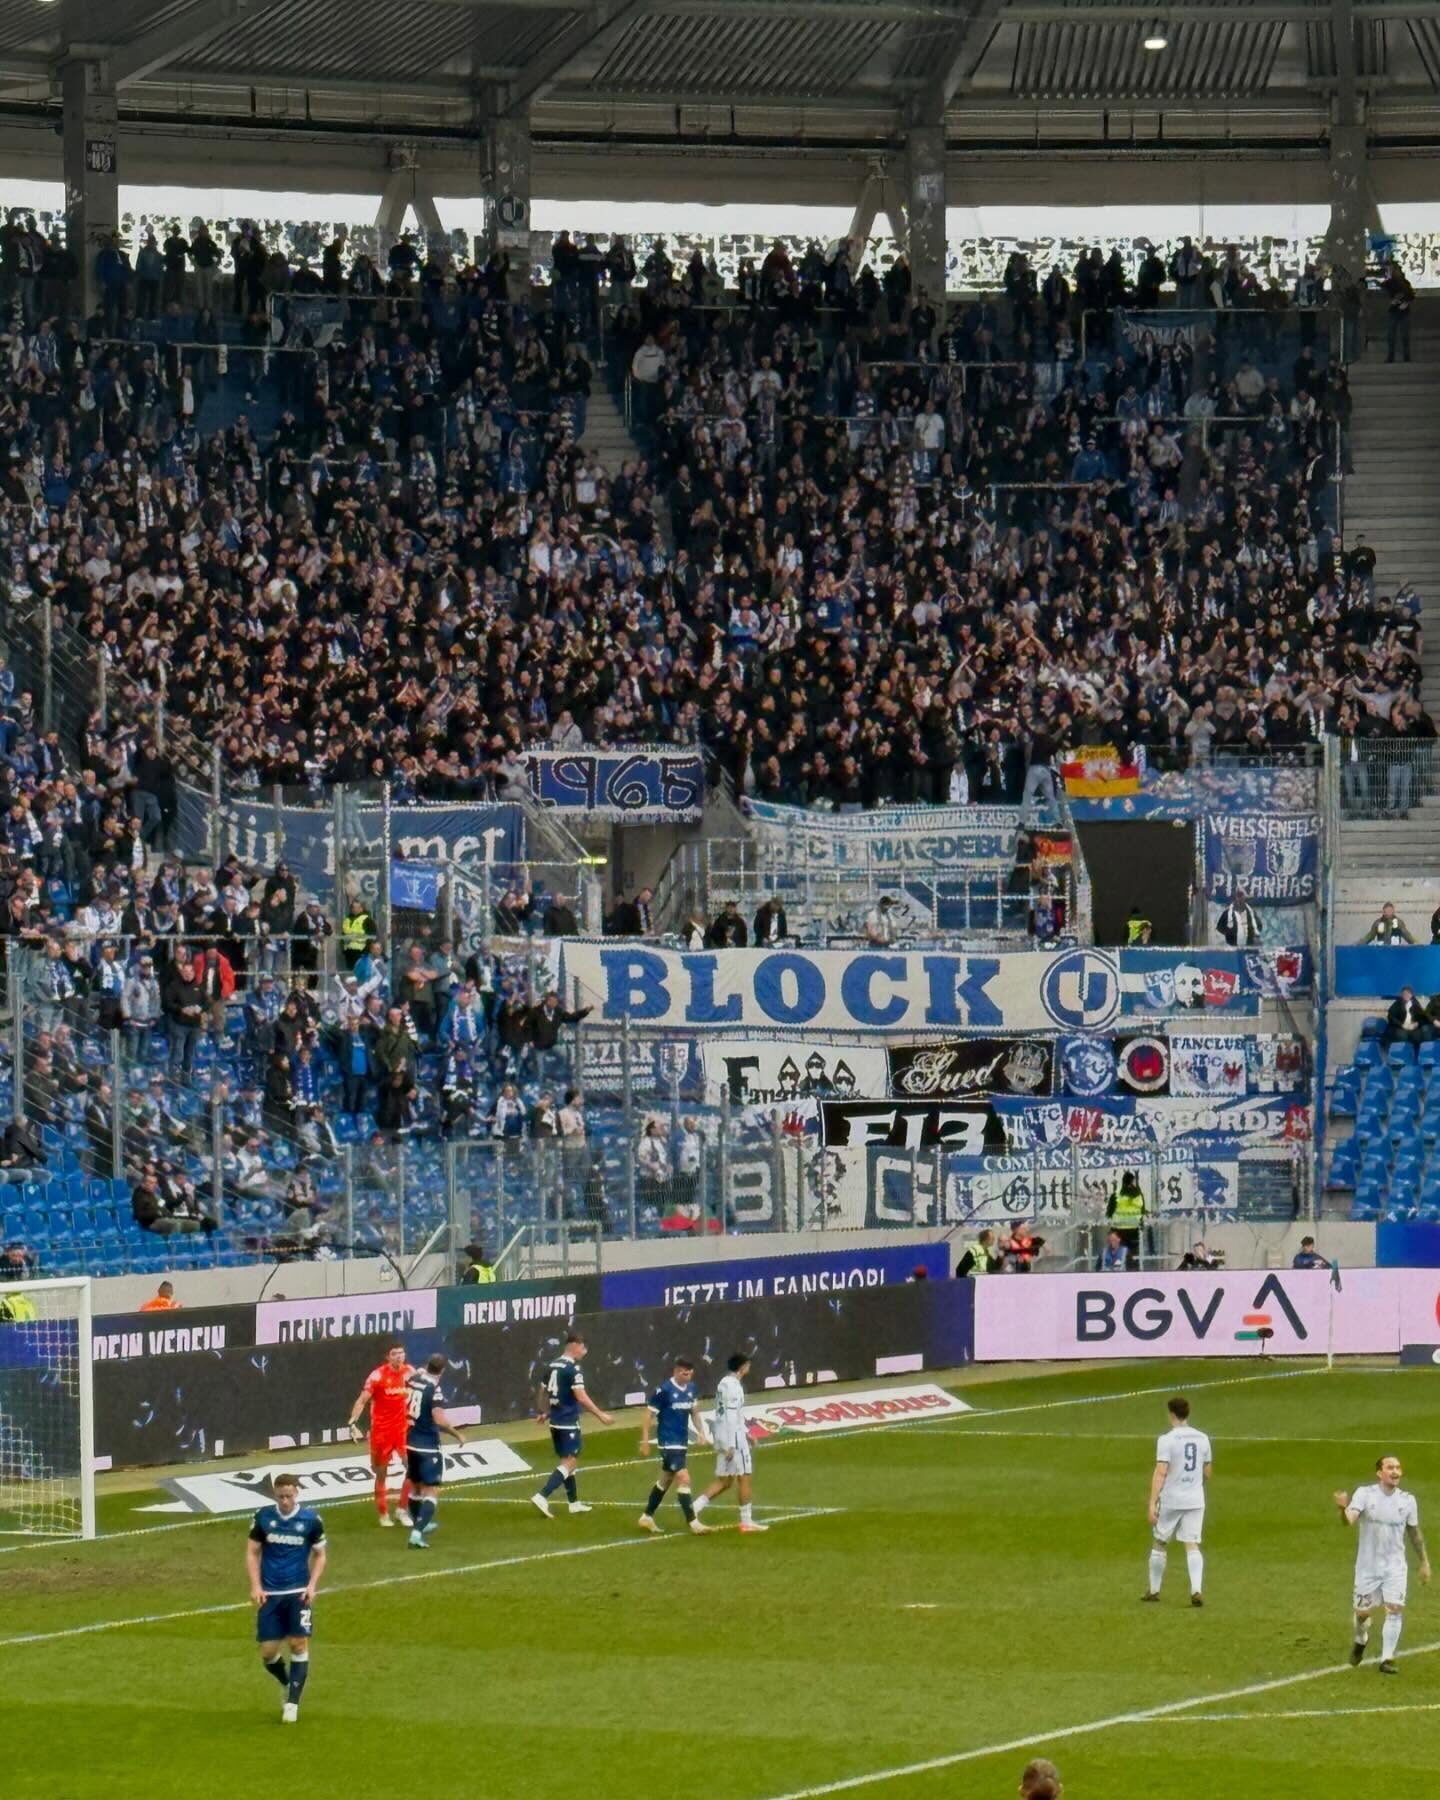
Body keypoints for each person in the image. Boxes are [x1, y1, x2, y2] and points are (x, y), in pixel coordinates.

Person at [1335, 1454, 1429, 1673]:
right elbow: (1348, 1520)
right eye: (1390, 1467)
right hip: (1367, 1567)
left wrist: (1424, 1562)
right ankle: (1361, 1639)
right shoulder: (1365, 1494)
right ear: (1380, 1473)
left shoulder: (1407, 1500)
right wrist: (1342, 1508)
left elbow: (1414, 1532)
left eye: (1398, 1467)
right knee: (1362, 1614)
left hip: (1395, 1566)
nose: (1395, 1471)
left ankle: (1387, 1659)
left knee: (1395, 1609)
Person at [246, 1472, 326, 1725]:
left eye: (289, 1496)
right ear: (275, 1494)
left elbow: (320, 1555)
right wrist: (255, 1586)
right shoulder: (263, 1518)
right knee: (268, 1652)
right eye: (281, 1496)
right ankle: (287, 1682)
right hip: (270, 1594)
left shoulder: (311, 1520)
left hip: (298, 1592)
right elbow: (251, 1552)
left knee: (298, 1644)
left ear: (297, 1493)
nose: (285, 1501)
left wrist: (312, 1586)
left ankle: (292, 1702)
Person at [532, 1330, 614, 1519]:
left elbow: (542, 1391)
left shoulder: (552, 1365)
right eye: (583, 1348)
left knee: (566, 1461)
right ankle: (542, 1495)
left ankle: (573, 1503)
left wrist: (543, 1411)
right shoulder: (572, 1369)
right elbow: (581, 1397)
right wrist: (600, 1414)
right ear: (574, 1346)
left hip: (555, 1422)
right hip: (568, 1421)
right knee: (571, 1462)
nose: (584, 1352)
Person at [1141, 1396, 1212, 1606]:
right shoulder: (1203, 1438)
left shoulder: (1167, 1440)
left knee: (1160, 1542)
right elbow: (1207, 1472)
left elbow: (1161, 1472)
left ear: (1171, 1414)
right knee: (1192, 1544)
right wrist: (1193, 1486)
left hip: (1172, 1499)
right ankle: (1196, 1589)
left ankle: (1154, 1590)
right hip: (1195, 1499)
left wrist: (1152, 1502)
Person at [637, 1354, 714, 1535]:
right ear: (677, 1372)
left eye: (690, 1374)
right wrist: (645, 1440)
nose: (688, 1377)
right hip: (668, 1442)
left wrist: (701, 1431)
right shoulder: (664, 1390)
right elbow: (648, 1414)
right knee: (684, 1478)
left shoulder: (691, 1389)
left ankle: (647, 1517)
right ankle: (693, 1523)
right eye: (685, 1374)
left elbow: (694, 1412)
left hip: (681, 1442)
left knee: (666, 1479)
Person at [692, 1350, 766, 1533]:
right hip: (733, 1438)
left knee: (725, 1481)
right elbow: (732, 1416)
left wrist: (746, 1433)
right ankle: (747, 1522)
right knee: (744, 1477)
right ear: (742, 1367)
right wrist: (732, 1443)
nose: (749, 1367)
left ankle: (692, 1509)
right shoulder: (733, 1387)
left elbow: (728, 1414)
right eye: (748, 1365)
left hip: (722, 1434)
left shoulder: (723, 1384)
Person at [347, 1341, 414, 1528]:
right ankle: (383, 1514)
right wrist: (352, 1421)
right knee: (381, 1473)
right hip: (381, 1432)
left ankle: (402, 1509)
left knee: (412, 1468)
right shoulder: (377, 1376)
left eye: (401, 1352)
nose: (399, 1356)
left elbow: (418, 1394)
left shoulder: (410, 1372)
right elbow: (362, 1400)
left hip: (402, 1430)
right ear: (388, 1356)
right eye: (395, 1353)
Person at [404, 1352, 464, 1551]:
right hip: (427, 1445)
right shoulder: (434, 1389)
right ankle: (417, 1533)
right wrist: (457, 1434)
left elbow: (411, 1377)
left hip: (410, 1442)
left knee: (415, 1487)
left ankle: (419, 1523)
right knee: (431, 1490)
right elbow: (438, 1420)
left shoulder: (414, 1381)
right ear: (444, 1370)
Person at [1106, 1170, 1147, 1261]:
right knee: (1133, 1258)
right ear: (1133, 1182)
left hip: (1118, 1232)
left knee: (1117, 1258)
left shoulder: (1116, 1195)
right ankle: (1134, 1270)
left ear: (1123, 1182)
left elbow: (1109, 1214)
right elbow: (1142, 1212)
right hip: (1134, 1231)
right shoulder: (1139, 1196)